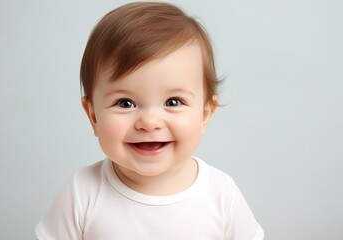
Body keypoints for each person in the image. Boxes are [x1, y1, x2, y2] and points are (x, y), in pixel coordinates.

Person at [35, 2, 264, 239]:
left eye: (173, 102)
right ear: (93, 116)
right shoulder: (82, 192)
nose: (149, 122)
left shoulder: (222, 194)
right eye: (125, 103)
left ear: (204, 115)